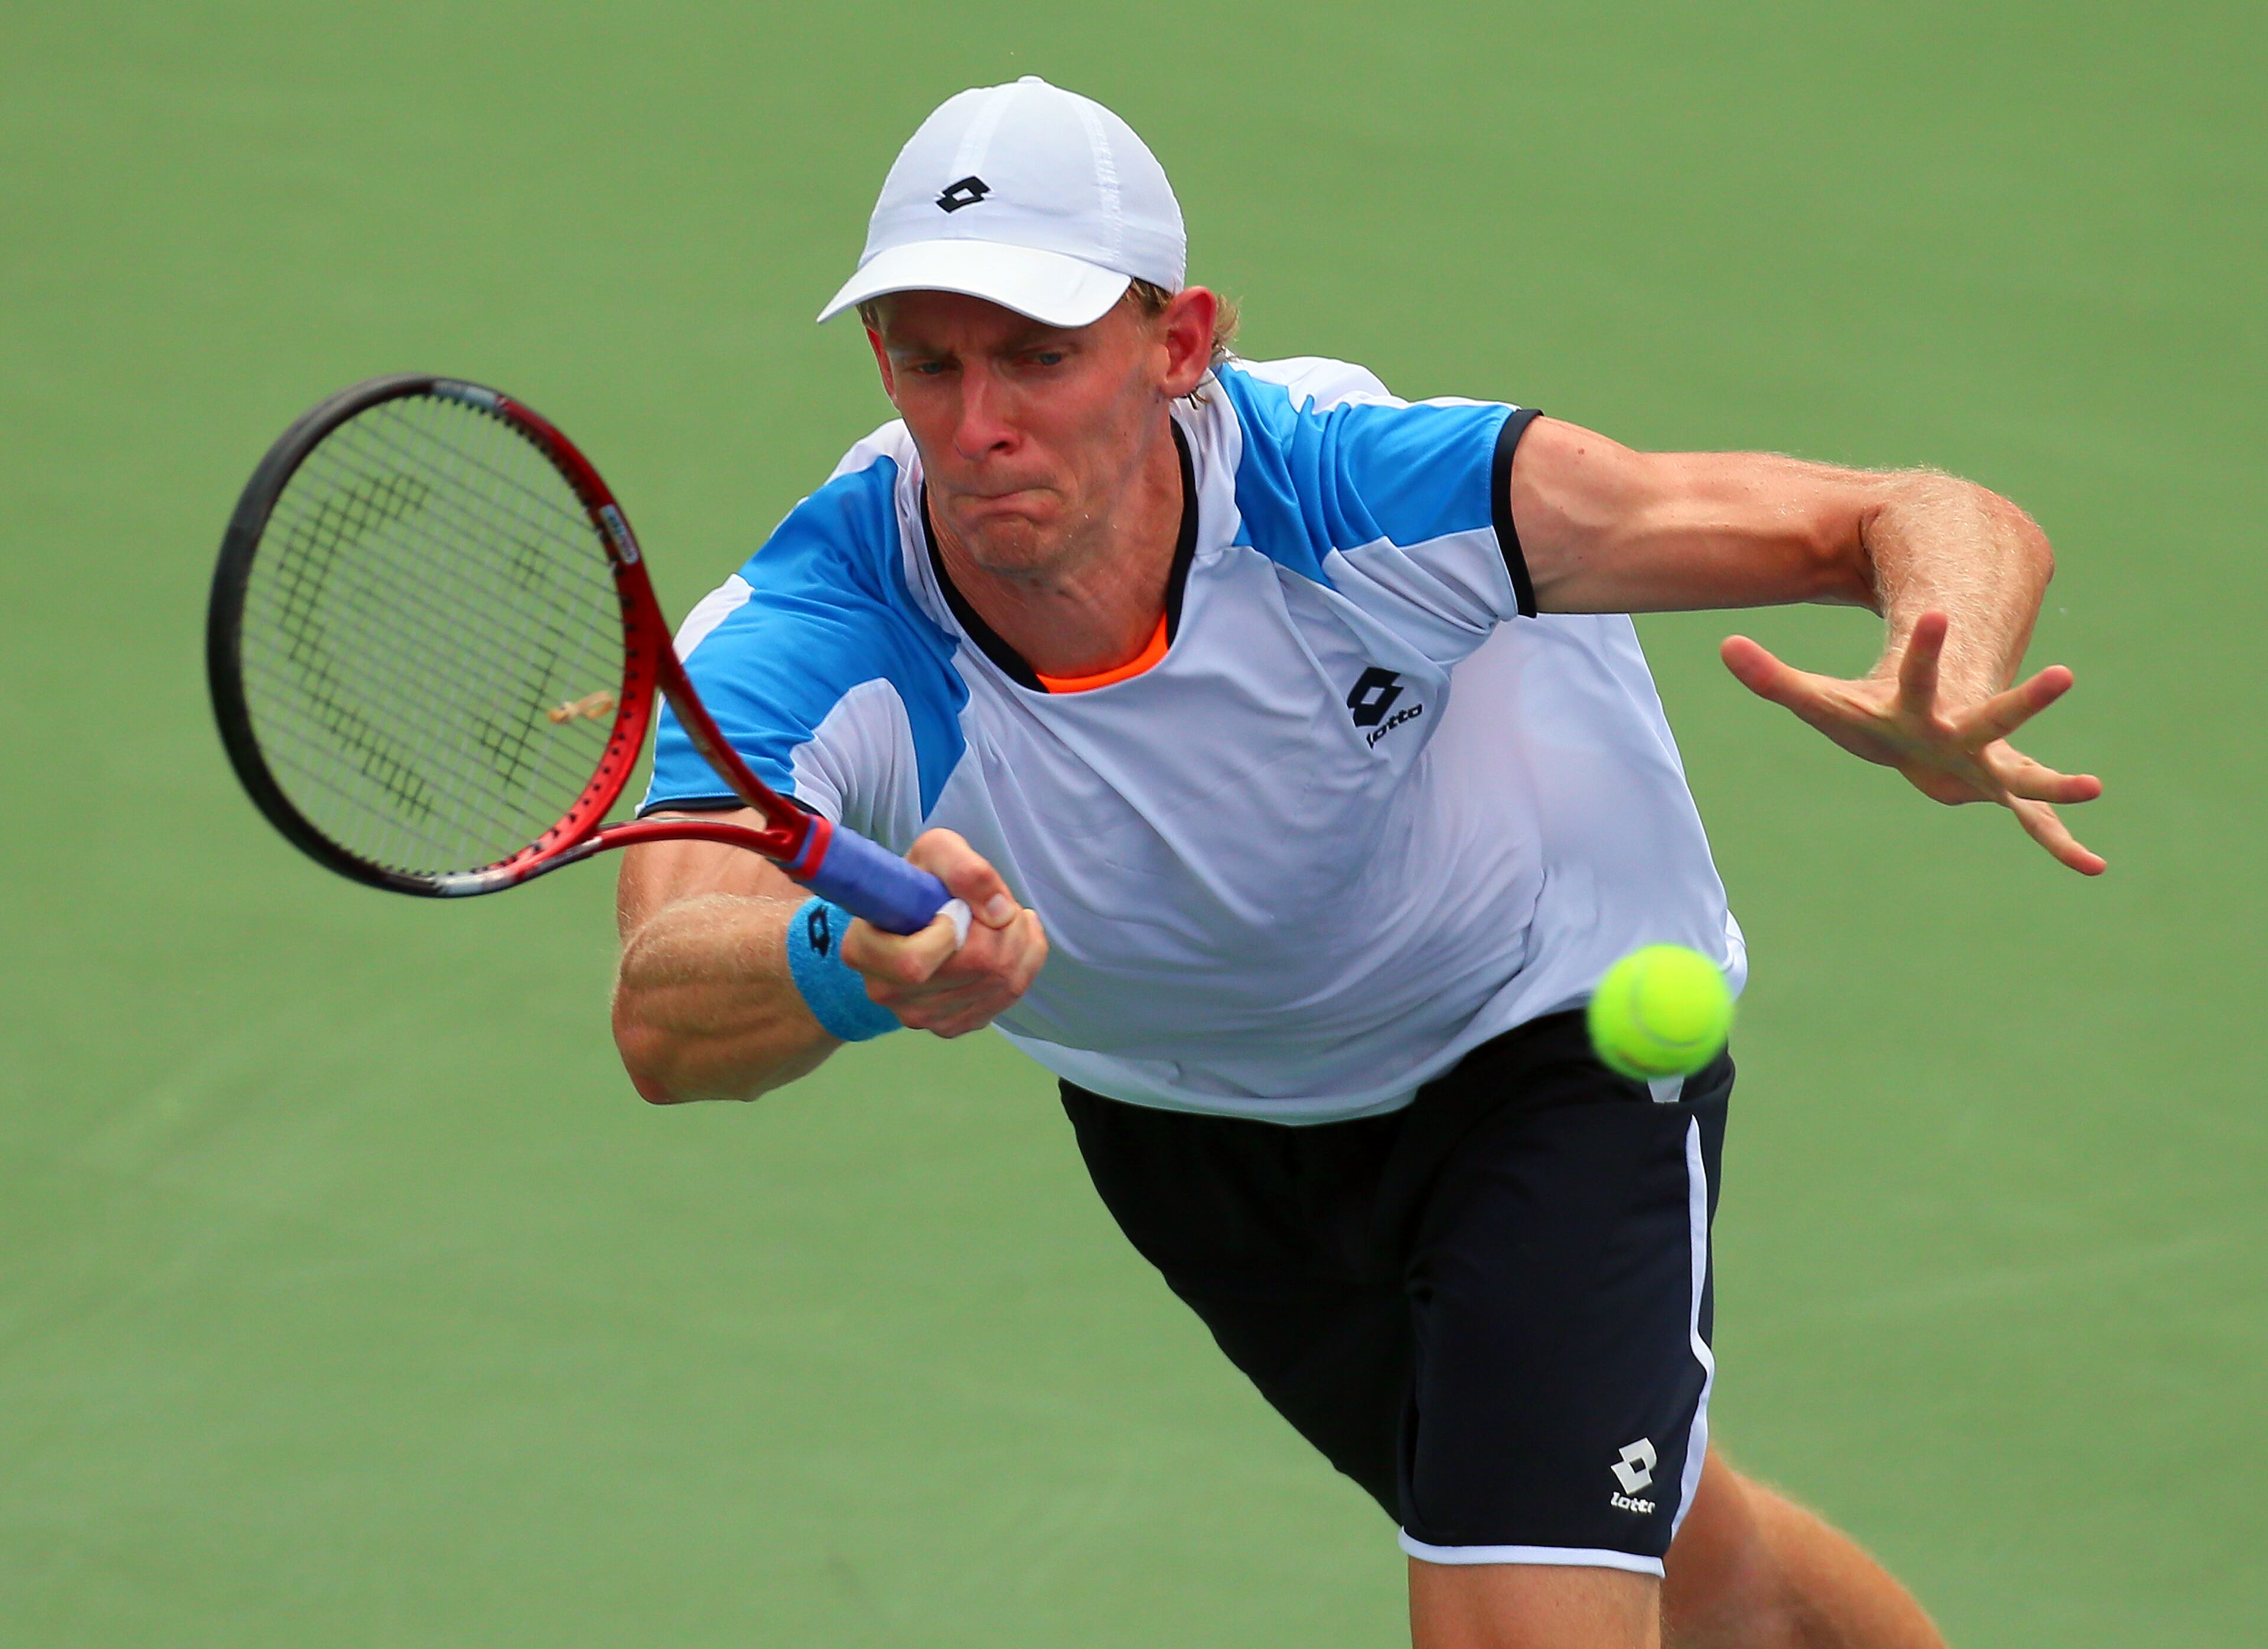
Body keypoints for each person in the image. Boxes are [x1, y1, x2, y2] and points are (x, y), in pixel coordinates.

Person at [610, 77, 2101, 1649]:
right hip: (1203, 1136)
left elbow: (1911, 514)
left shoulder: (1358, 491)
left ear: (1179, 346)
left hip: (1542, 1033)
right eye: (931, 357)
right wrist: (851, 967)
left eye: (1040, 357)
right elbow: (665, 1004)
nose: (979, 423)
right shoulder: (809, 635)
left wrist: (1948, 654)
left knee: (1516, 1619)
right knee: (1693, 1560)